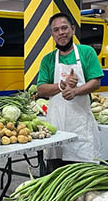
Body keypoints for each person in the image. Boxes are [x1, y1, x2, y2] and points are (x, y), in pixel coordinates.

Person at [37, 12, 103, 172]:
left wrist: (76, 91)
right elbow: (41, 88)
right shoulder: (48, 59)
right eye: (56, 30)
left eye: (64, 28)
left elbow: (96, 81)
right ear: (52, 34)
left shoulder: (87, 52)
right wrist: (61, 86)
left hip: (81, 127)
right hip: (57, 126)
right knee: (56, 177)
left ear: (72, 29)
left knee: (83, 179)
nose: (61, 32)